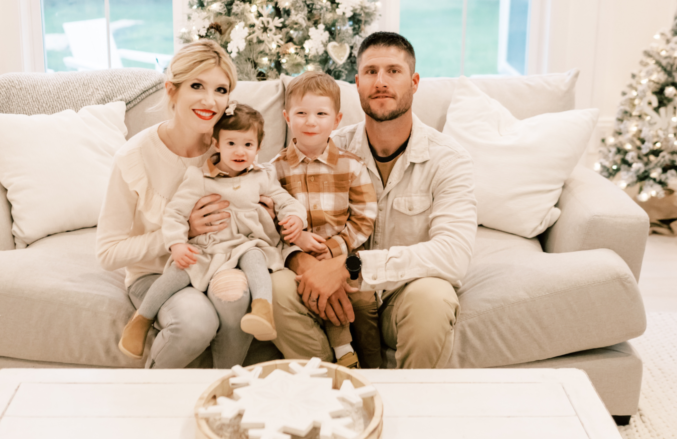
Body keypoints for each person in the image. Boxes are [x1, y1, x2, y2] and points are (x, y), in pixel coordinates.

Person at [271, 32, 477, 369]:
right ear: (356, 84)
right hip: (330, 297)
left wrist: (352, 268)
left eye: (393, 71)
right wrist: (303, 262)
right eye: (370, 72)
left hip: (403, 291)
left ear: (414, 82)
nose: (381, 81)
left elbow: (453, 255)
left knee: (434, 298)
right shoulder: (322, 146)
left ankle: (408, 408)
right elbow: (271, 209)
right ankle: (329, 386)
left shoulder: (449, 159)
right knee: (277, 286)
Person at [96, 40, 271, 369]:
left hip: (220, 262)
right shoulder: (134, 158)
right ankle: (148, 401)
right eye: (196, 86)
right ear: (171, 91)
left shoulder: (230, 147)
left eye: (221, 90)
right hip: (158, 274)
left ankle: (223, 391)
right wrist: (180, 232)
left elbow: (262, 191)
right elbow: (107, 254)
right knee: (195, 323)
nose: (210, 100)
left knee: (238, 301)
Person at [119, 104, 307, 358]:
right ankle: (140, 321)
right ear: (216, 144)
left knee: (255, 258)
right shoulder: (199, 178)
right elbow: (175, 213)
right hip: (207, 246)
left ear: (258, 148)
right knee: (180, 269)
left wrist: (294, 217)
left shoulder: (263, 176)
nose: (240, 151)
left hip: (246, 243)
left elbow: (285, 201)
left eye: (248, 145)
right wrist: (177, 244)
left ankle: (262, 311)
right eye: (231, 143)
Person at [270, 71, 379, 369]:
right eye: (301, 113)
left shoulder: (351, 166)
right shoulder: (273, 171)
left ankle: (374, 369)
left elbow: (364, 217)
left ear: (337, 119)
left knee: (363, 300)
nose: (310, 121)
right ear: (287, 116)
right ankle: (340, 357)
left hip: (343, 259)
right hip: (297, 259)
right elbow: (268, 220)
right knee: (304, 293)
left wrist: (333, 248)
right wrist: (298, 243)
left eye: (321, 113)